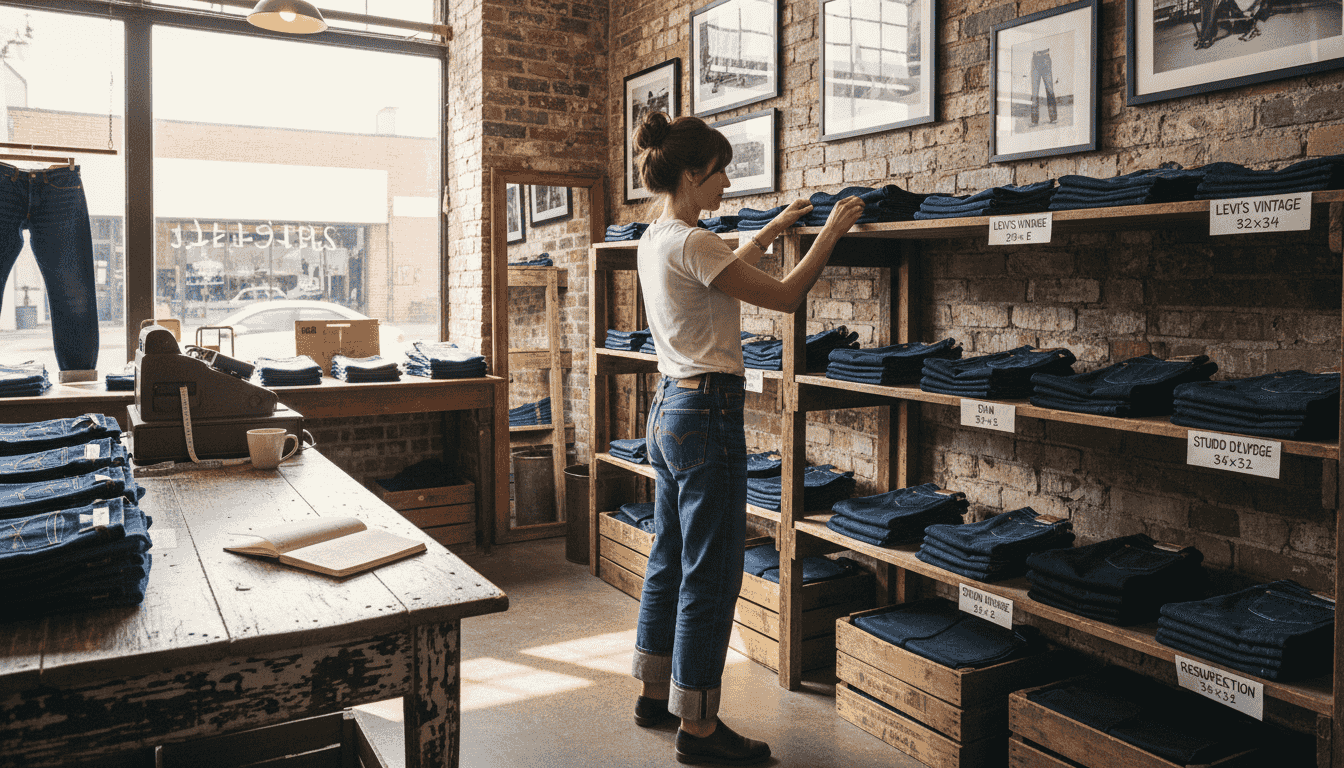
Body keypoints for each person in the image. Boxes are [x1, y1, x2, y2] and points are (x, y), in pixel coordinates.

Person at [628, 110, 864, 767]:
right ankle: (700, 729)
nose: (727, 183)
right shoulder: (695, 241)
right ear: (691, 174)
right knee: (712, 570)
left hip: (669, 411)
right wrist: (831, 234)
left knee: (669, 555)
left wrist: (774, 228)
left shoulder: (656, 236)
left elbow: (724, 272)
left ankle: (654, 694)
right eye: (719, 172)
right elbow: (784, 297)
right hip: (707, 415)